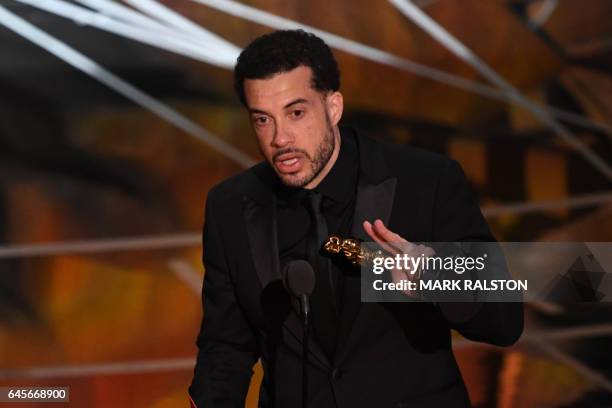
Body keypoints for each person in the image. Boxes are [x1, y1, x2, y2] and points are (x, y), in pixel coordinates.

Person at [189, 29, 523, 408]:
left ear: (333, 107)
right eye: (262, 120)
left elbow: (505, 322)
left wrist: (436, 277)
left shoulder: (425, 181)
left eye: (296, 113)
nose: (279, 138)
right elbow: (226, 345)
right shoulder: (230, 206)